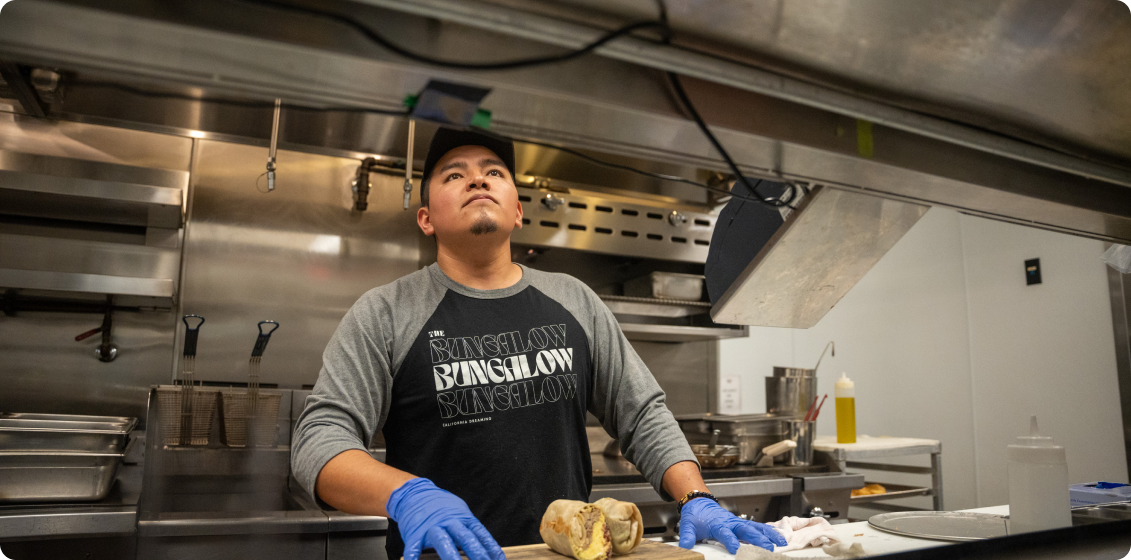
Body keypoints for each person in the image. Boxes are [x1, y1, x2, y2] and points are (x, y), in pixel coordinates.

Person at [291, 127, 786, 560]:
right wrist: (407, 494)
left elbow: (643, 414)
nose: (478, 180)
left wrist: (696, 498)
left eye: (494, 173)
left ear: (518, 211)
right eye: (453, 175)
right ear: (426, 219)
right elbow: (320, 443)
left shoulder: (574, 299)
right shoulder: (385, 313)